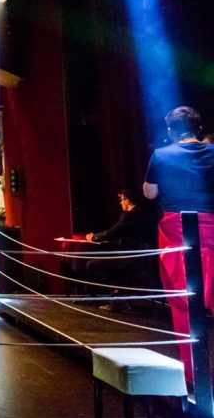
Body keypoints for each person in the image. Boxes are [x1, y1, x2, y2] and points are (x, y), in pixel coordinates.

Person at [143, 106, 214, 383]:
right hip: (212, 227)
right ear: (197, 128)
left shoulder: (161, 155)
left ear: (171, 130)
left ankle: (192, 375)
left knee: (184, 305)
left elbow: (149, 194)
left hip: (178, 233)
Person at [84, 188, 157, 312]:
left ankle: (117, 296)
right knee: (109, 264)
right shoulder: (145, 214)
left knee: (92, 265)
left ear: (127, 201)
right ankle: (120, 296)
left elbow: (113, 232)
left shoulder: (130, 215)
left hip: (132, 260)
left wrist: (94, 237)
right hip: (146, 259)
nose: (120, 203)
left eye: (122, 200)